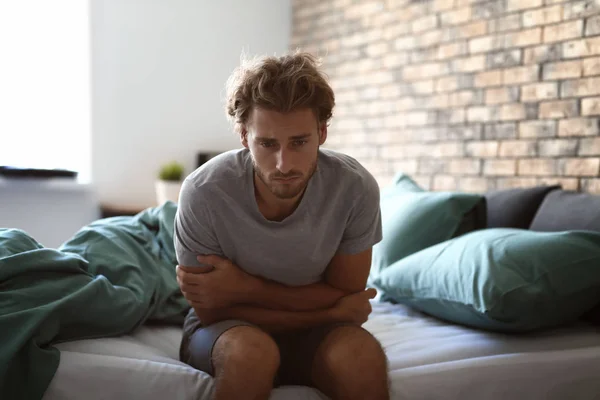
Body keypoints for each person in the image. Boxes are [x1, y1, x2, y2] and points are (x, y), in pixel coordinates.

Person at [174, 51, 390, 400]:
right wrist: (327, 309)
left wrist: (245, 288)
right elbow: (211, 309)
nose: (283, 163)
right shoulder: (204, 192)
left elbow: (348, 298)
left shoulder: (354, 187)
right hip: (227, 331)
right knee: (251, 355)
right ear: (244, 136)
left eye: (299, 143)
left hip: (323, 332)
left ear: (322, 133)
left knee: (359, 358)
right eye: (267, 143)